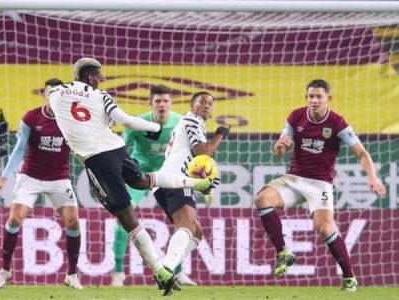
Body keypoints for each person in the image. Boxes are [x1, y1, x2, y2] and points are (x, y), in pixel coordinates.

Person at [48, 57, 214, 296]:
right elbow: (125, 121)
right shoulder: (102, 96)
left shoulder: (56, 92)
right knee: (143, 180)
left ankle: (161, 271)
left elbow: (57, 108)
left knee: (128, 219)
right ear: (91, 77)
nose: (102, 80)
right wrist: (154, 128)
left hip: (96, 159)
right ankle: (195, 182)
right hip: (118, 150)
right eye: (100, 76)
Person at [254, 79, 386, 291]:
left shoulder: (337, 123)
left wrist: (372, 177)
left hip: (320, 184)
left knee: (323, 227)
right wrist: (279, 146)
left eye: (318, 96)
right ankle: (283, 253)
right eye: (310, 96)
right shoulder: (295, 116)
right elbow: (279, 152)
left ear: (328, 99)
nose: (314, 100)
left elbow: (361, 153)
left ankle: (350, 278)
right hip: (294, 179)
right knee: (262, 199)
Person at [0, 78, 83, 290]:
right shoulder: (31, 117)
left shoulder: (72, 120)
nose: (53, 97)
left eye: (57, 93)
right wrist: (3, 179)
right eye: (50, 93)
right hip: (30, 177)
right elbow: (19, 149)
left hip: (59, 178)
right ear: (44, 94)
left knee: (73, 223)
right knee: (14, 218)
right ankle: (5, 270)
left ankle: (72, 275)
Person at [112, 85, 197, 287]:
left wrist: (195, 177)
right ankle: (118, 272)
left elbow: (191, 152)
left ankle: (177, 271)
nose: (162, 105)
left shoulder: (180, 123)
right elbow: (122, 149)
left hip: (169, 174)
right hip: (139, 173)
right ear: (151, 104)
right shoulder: (138, 122)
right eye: (158, 101)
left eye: (165, 101)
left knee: (183, 221)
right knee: (123, 215)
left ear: (171, 104)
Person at [153, 92, 229, 287]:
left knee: (196, 232)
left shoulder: (189, 122)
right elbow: (202, 156)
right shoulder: (193, 120)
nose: (207, 106)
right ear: (192, 105)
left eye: (210, 104)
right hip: (178, 179)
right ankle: (166, 271)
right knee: (186, 226)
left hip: (168, 179)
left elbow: (197, 161)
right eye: (202, 102)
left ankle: (167, 268)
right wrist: (220, 134)